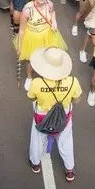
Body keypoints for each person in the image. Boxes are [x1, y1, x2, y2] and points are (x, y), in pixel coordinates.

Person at [26, 47, 82, 181]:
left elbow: (31, 98)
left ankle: (35, 164)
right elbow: (77, 100)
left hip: (42, 116)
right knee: (66, 141)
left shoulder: (36, 83)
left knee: (37, 140)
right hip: (64, 116)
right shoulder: (73, 82)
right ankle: (69, 170)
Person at [17, 0, 66, 91]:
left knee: (47, 56)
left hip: (47, 34)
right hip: (32, 37)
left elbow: (53, 13)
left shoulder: (49, 4)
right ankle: (29, 78)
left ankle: (44, 73)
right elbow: (21, 30)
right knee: (30, 60)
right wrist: (19, 47)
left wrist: (54, 22)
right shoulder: (27, 10)